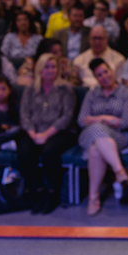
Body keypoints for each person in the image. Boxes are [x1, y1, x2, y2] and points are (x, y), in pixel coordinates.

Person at [18, 53, 77, 215]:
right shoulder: (31, 88)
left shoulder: (65, 88)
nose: (50, 70)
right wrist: (32, 133)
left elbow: (67, 117)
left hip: (60, 131)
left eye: (53, 67)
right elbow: (24, 114)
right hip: (34, 130)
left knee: (49, 152)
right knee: (24, 151)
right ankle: (38, 191)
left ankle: (52, 193)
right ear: (39, 69)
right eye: (46, 66)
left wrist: (45, 135)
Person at [77, 58, 128, 216]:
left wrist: (95, 119)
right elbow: (82, 120)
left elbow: (126, 122)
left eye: (105, 71)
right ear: (96, 78)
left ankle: (93, 198)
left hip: (119, 137)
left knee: (96, 149)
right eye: (99, 75)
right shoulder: (92, 94)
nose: (104, 76)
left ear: (112, 71)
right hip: (89, 135)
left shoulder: (126, 93)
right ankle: (120, 172)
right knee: (97, 130)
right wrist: (106, 119)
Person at [74, 25, 125, 89]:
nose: (97, 42)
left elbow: (119, 84)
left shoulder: (119, 59)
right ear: (89, 39)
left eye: (100, 38)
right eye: (94, 38)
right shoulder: (79, 60)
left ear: (107, 39)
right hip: (86, 95)